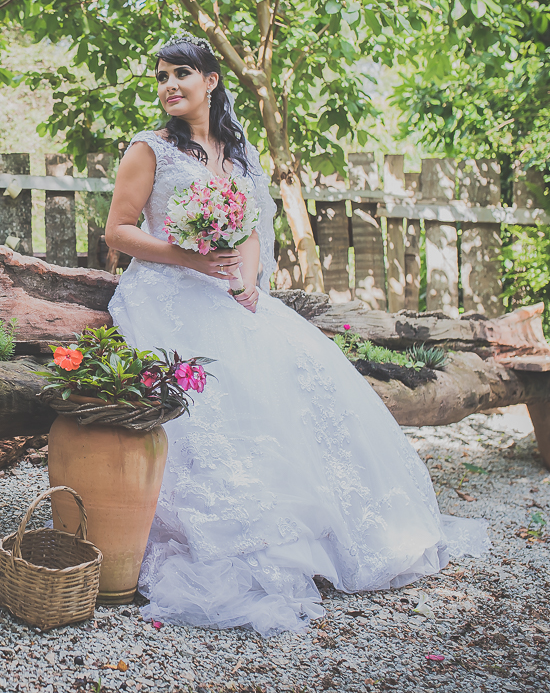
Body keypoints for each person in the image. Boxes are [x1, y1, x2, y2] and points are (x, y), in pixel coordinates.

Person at [104, 32, 489, 635]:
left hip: (228, 291)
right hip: (163, 291)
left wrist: (249, 285)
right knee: (211, 393)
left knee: (299, 372)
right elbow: (120, 234)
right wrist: (192, 259)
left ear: (211, 81)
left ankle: (321, 530)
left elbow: (252, 229)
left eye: (182, 73)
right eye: (161, 76)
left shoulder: (240, 153)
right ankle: (228, 539)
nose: (169, 85)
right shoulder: (148, 149)